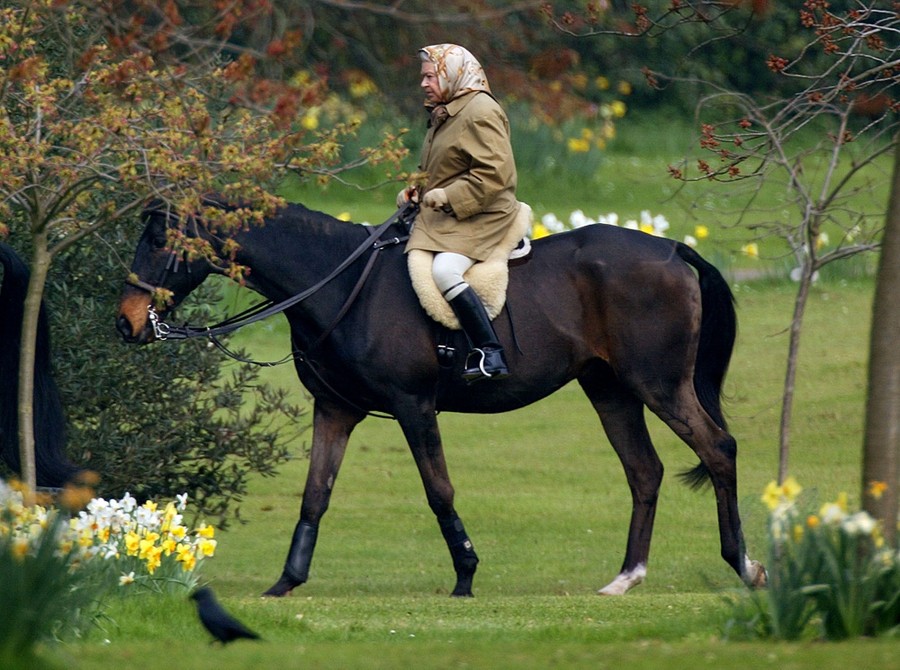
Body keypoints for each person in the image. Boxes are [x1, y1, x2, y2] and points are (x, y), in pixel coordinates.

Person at [400, 43, 518, 383]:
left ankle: (490, 352)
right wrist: (416, 190)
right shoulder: (447, 109)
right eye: (423, 76)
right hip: (452, 212)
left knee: (445, 271)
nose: (423, 83)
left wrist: (448, 196)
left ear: (453, 72)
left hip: (485, 213)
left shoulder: (479, 111)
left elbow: (496, 174)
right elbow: (444, 168)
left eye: (430, 76)